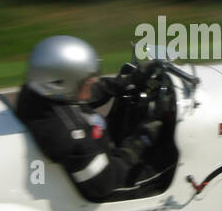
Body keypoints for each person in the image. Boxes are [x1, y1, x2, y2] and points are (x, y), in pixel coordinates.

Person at [16, 35, 166, 201]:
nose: (93, 81)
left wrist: (128, 81)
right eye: (87, 80)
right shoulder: (69, 136)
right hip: (107, 184)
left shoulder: (40, 96)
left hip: (101, 150)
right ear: (60, 83)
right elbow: (106, 183)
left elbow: (86, 94)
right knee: (167, 166)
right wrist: (139, 143)